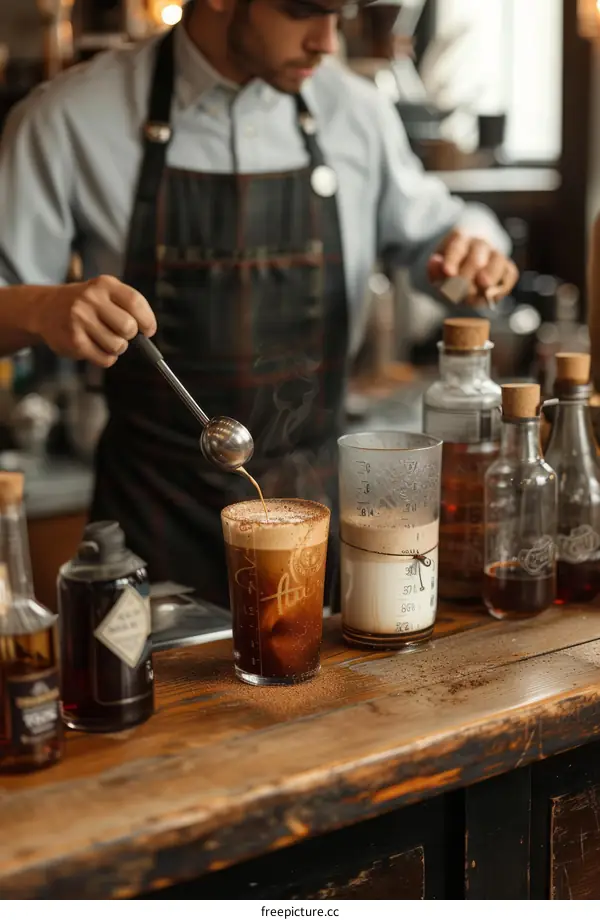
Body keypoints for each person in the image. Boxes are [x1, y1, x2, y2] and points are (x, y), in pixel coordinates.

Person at [0, 0, 518, 606]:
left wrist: (475, 254)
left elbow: (444, 242)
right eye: (304, 11)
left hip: (316, 514)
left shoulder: (354, 112)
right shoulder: (69, 117)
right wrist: (41, 309)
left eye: (341, 12)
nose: (327, 41)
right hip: (149, 525)